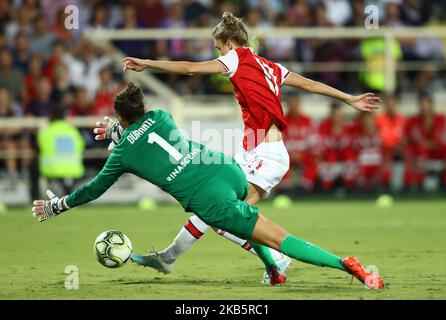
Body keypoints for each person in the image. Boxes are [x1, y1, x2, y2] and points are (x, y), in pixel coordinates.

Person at [32, 83, 384, 289]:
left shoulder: (121, 154)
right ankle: (274, 271)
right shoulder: (161, 116)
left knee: (275, 237)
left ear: (121, 118)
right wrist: (120, 130)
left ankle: (345, 263)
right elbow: (145, 136)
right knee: (242, 216)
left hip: (206, 197)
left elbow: (94, 189)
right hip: (225, 168)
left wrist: (56, 205)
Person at [117, 11, 381, 283]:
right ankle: (171, 258)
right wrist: (348, 98)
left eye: (219, 47)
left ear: (230, 43)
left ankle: (275, 260)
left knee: (223, 216)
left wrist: (147, 63)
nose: (218, 52)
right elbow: (311, 85)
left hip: (266, 155)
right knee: (214, 208)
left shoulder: (234, 59)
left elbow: (190, 68)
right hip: (252, 152)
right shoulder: (272, 66)